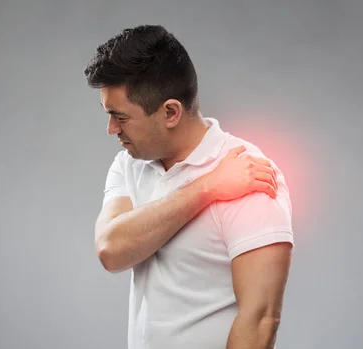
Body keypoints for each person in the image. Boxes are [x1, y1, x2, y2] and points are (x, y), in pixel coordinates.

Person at [84, 24, 294, 349]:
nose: (111, 129)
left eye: (120, 117)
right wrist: (208, 187)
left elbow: (261, 319)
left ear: (170, 112)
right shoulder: (129, 165)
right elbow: (111, 250)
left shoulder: (251, 171)